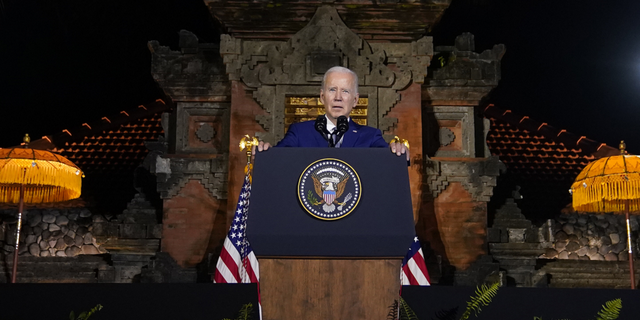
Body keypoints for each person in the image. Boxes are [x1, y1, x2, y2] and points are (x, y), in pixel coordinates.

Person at [254, 66, 409, 160]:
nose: (338, 98)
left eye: (345, 91)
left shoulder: (370, 136)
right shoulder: (300, 132)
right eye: (332, 90)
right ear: (322, 97)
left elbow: (389, 162)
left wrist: (398, 152)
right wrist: (265, 153)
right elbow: (277, 159)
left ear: (355, 100)